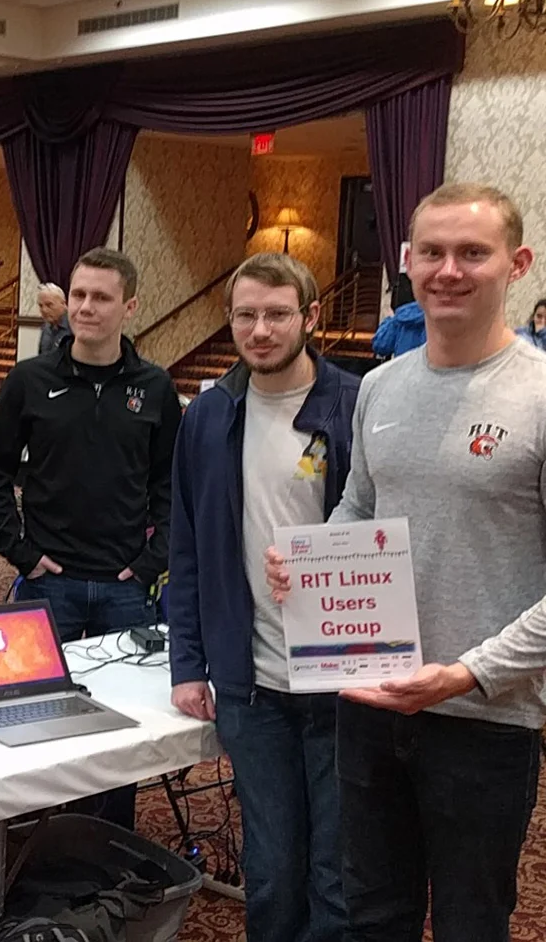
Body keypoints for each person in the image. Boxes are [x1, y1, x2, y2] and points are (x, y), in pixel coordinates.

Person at [266, 183, 546, 942]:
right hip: (370, 699)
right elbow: (360, 505)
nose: (448, 270)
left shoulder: (539, 395)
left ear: (516, 263)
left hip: (486, 717)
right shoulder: (381, 386)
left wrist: (467, 672)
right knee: (374, 915)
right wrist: (313, 566)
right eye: (432, 252)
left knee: (469, 923)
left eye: (472, 253)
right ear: (407, 262)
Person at [169, 252, 359, 942]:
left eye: (277, 314)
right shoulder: (210, 415)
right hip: (251, 684)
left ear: (310, 317)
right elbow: (186, 546)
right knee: (274, 867)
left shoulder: (355, 405)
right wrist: (188, 661)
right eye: (245, 315)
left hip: (343, 679)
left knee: (338, 870)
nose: (260, 329)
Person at [0, 247, 181, 828]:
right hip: (50, 582)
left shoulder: (156, 389)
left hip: (124, 587)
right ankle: (35, 837)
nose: (85, 308)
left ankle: (108, 842)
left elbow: (170, 485)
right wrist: (20, 552)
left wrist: (151, 561)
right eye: (79, 296)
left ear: (130, 306)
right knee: (31, 715)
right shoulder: (29, 381)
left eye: (101, 297)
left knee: (120, 726)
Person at [36, 282, 71, 355]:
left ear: (63, 304)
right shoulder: (46, 327)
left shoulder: (73, 327)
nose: (44, 310)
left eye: (49, 305)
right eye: (41, 306)